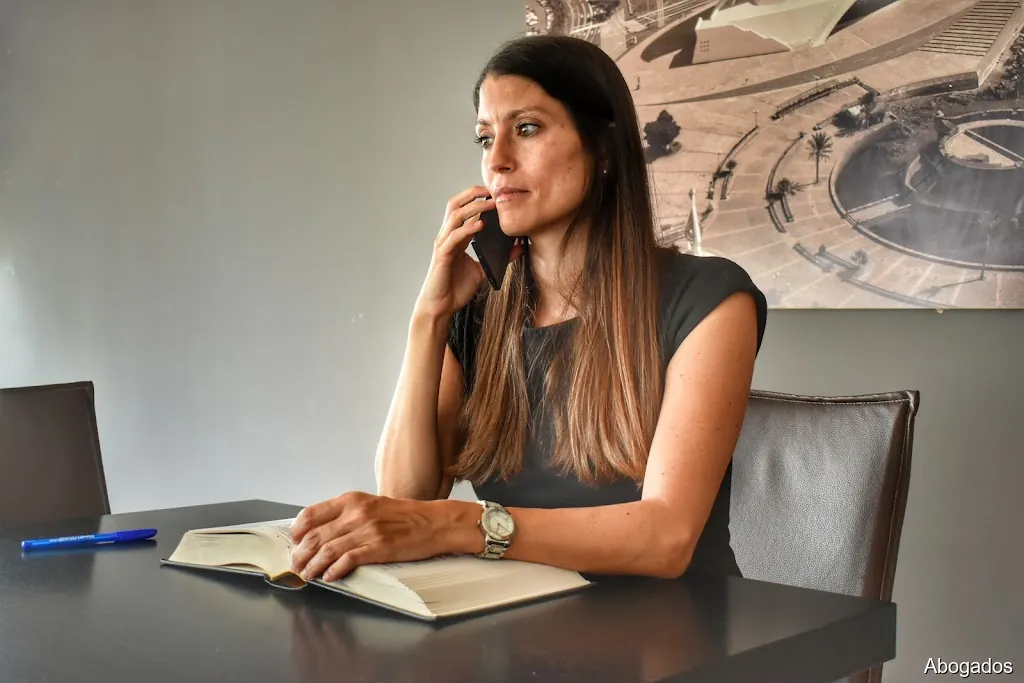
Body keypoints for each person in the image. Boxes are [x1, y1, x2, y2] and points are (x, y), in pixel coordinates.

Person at [289, 35, 767, 583]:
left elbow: (666, 539)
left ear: (603, 149)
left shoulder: (709, 299)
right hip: (520, 617)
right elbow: (406, 499)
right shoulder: (477, 313)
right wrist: (430, 318)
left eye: (527, 128)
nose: (496, 160)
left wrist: (460, 525)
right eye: (485, 137)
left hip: (676, 624)